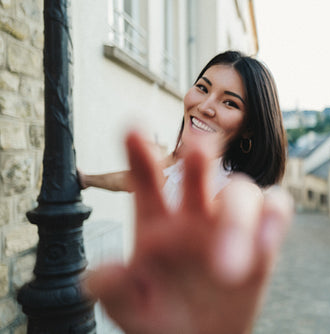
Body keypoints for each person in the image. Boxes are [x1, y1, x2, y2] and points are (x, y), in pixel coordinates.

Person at [81, 51, 294, 333]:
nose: (205, 105)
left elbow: (229, 231)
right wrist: (85, 179)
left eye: (229, 102)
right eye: (203, 88)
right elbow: (133, 180)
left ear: (249, 129)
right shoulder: (177, 161)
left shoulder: (239, 190)